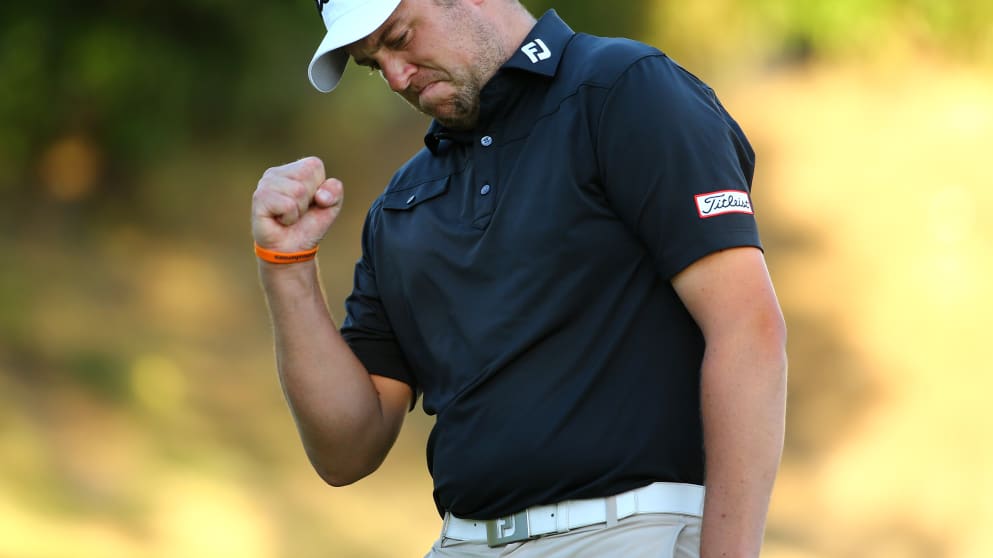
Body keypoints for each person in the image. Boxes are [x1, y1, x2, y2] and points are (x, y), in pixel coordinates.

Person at [250, 0, 788, 556]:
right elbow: (345, 452)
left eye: (400, 38)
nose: (395, 77)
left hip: (628, 532)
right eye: (372, 64)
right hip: (461, 541)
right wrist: (286, 266)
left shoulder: (623, 91)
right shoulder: (403, 204)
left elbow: (748, 330)